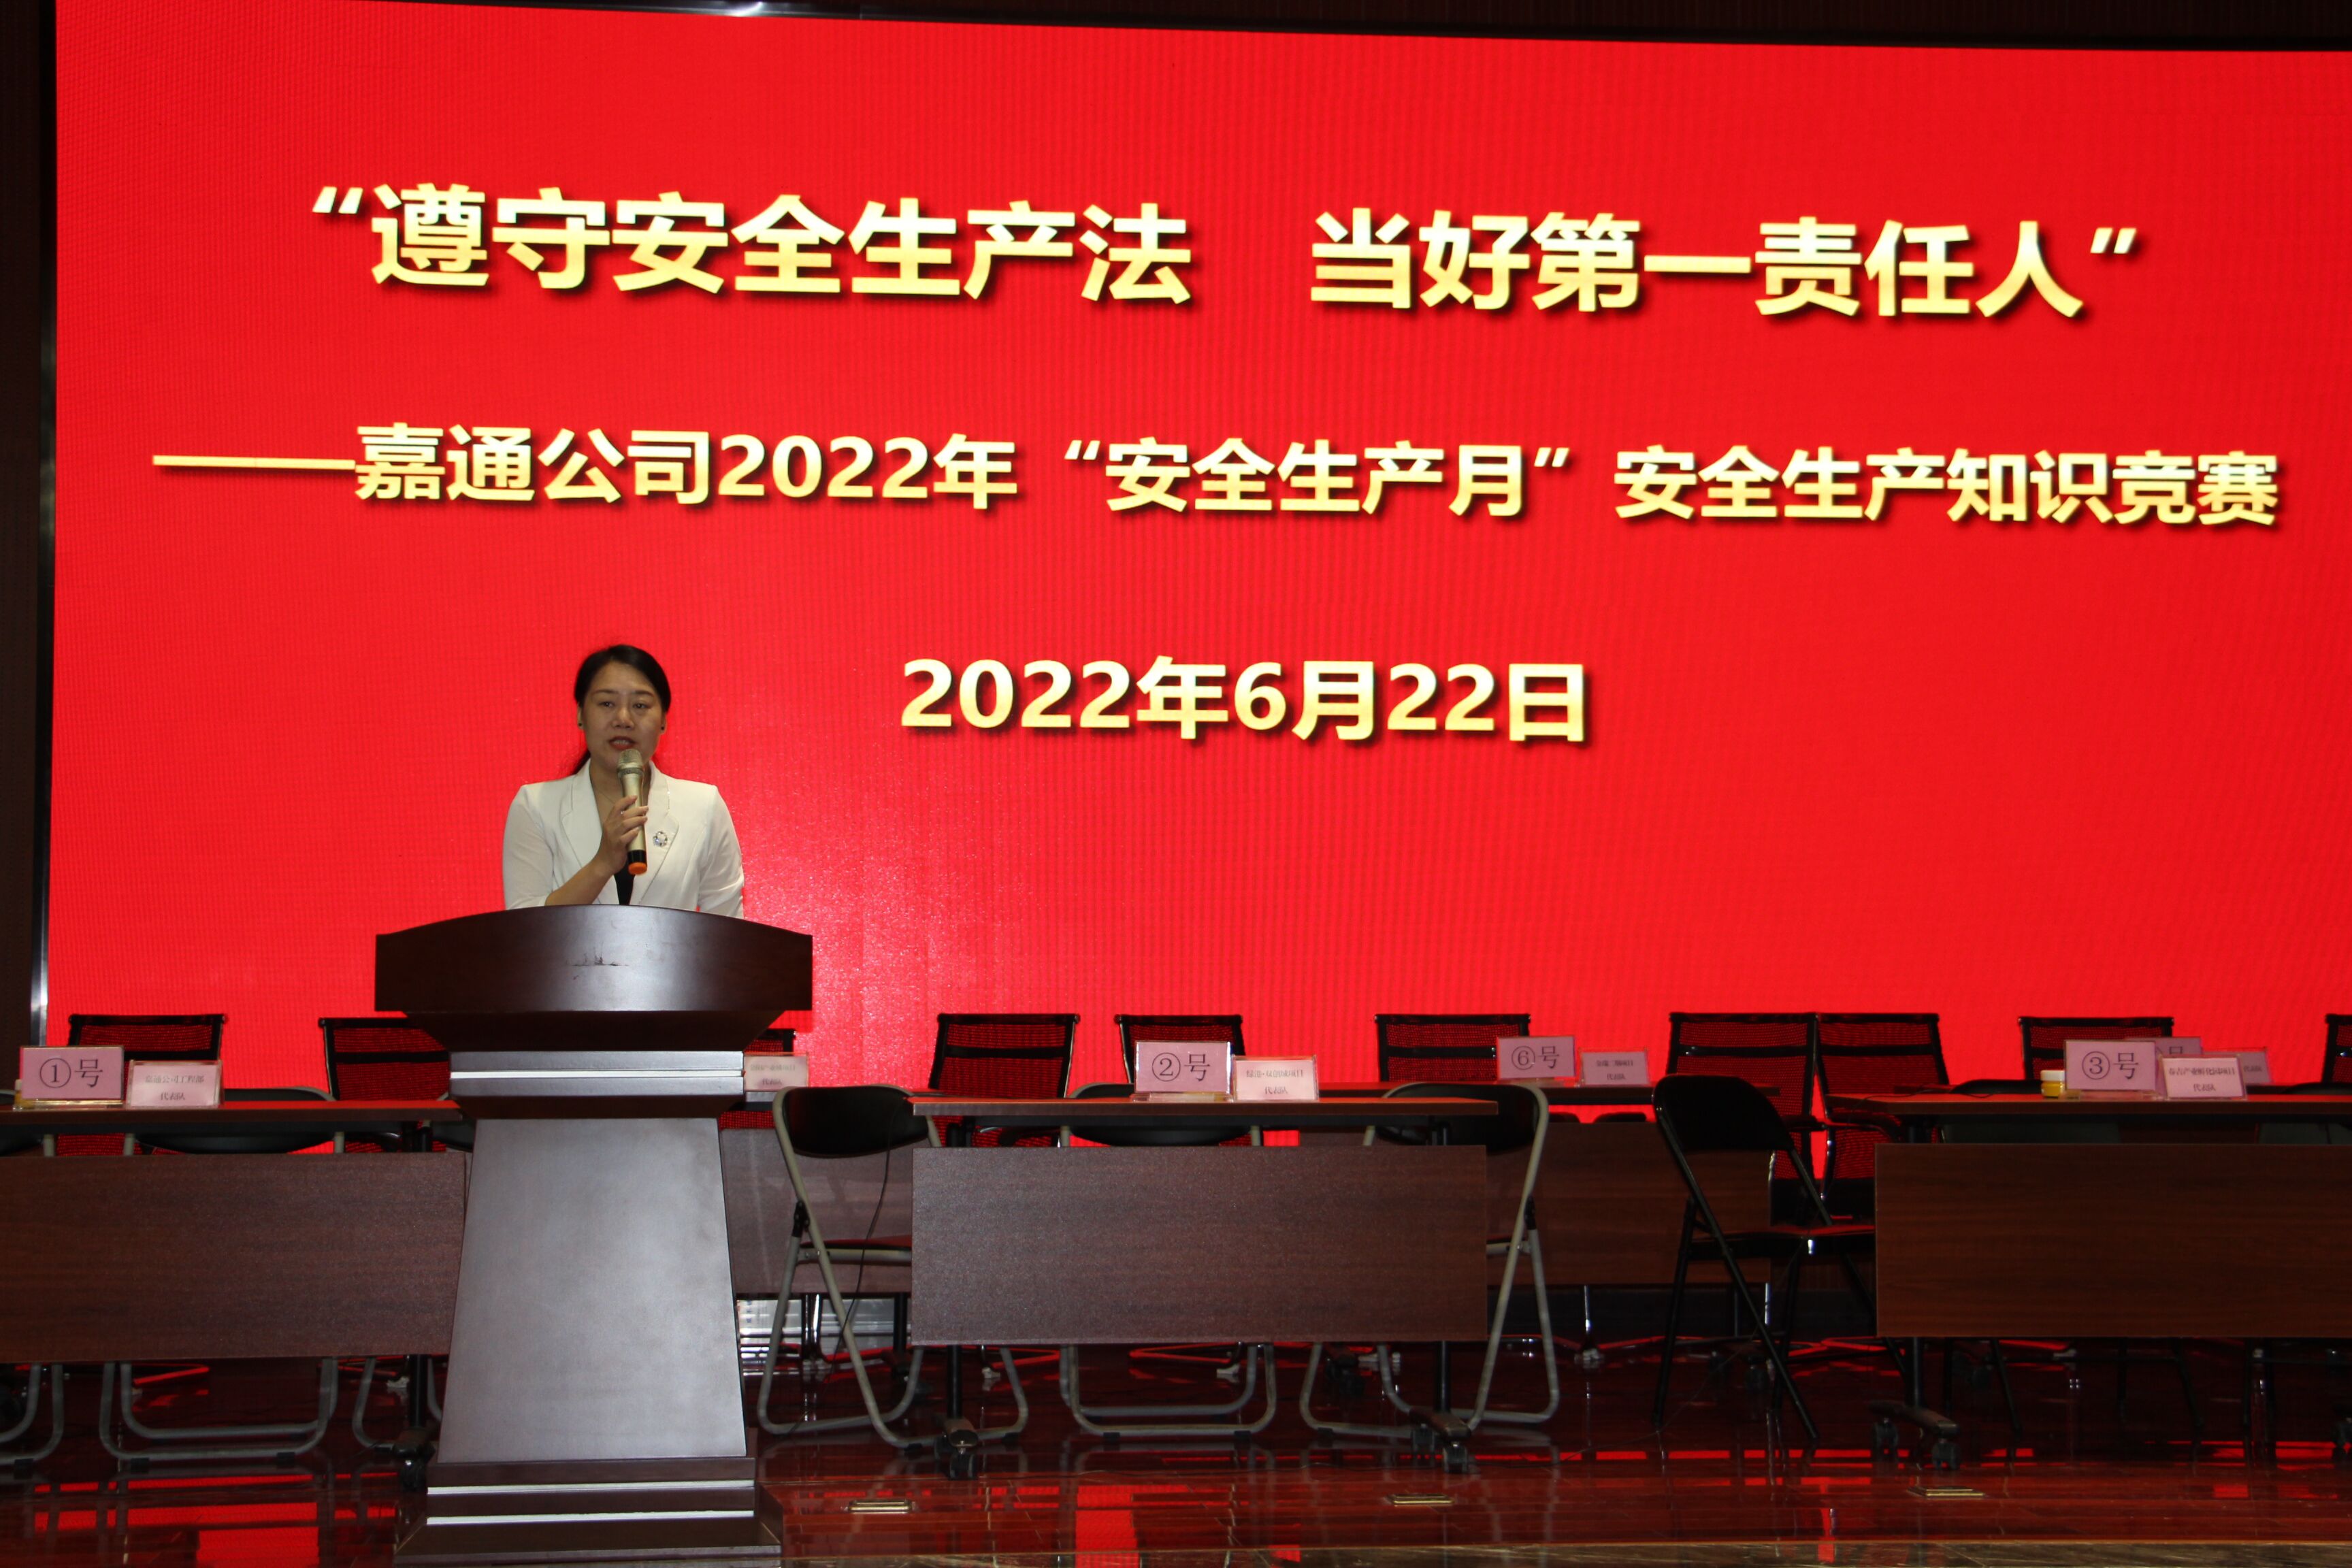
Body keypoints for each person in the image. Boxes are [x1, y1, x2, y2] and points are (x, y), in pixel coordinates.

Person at [502, 645, 745, 914]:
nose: (623, 719)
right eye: (607, 703)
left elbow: (727, 925)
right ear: (581, 714)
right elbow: (524, 924)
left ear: (664, 720)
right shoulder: (536, 806)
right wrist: (602, 864)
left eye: (640, 705)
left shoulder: (703, 806)